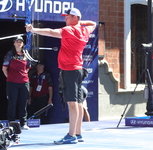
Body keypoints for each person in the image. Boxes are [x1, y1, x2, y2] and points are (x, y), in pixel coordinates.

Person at [25, 8, 96, 144]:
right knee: (79, 102)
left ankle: (71, 135)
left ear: (74, 17)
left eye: (67, 17)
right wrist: (79, 23)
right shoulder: (85, 30)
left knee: (72, 102)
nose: (65, 19)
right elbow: (92, 23)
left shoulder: (69, 30)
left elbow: (51, 32)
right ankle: (78, 133)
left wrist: (33, 30)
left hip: (70, 70)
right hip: (78, 70)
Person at [2, 36, 31, 130]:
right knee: (12, 103)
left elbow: (28, 67)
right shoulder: (10, 54)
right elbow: (4, 68)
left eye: (20, 42)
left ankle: (23, 123)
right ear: (14, 43)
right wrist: (11, 77)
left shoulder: (26, 54)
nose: (19, 43)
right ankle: (11, 122)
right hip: (12, 83)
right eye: (17, 41)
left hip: (24, 82)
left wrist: (22, 76)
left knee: (23, 103)